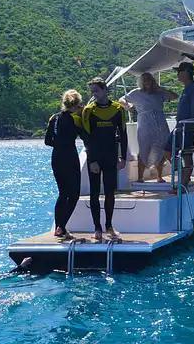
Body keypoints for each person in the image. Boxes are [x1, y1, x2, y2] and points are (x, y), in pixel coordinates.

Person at [81, 77, 128, 242]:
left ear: (105, 90)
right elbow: (86, 138)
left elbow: (123, 135)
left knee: (110, 192)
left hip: (111, 155)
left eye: (96, 91)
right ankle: (97, 228)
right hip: (95, 156)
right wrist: (92, 160)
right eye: (92, 91)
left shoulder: (118, 109)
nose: (94, 94)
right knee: (94, 193)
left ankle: (109, 225)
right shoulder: (88, 110)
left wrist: (123, 158)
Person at [118, 73, 177, 183]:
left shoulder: (159, 92)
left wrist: (162, 89)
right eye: (144, 80)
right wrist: (128, 105)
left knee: (162, 148)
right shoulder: (136, 93)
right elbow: (121, 99)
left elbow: (174, 97)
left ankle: (159, 176)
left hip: (160, 122)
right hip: (145, 123)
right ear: (141, 82)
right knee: (144, 148)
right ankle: (140, 177)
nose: (147, 82)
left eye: (149, 80)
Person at [44, 90, 86, 240]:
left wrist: (60, 143)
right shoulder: (75, 119)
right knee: (73, 195)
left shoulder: (53, 118)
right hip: (69, 157)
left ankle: (58, 228)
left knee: (62, 193)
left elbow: (47, 141)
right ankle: (62, 226)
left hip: (56, 157)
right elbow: (85, 136)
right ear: (77, 104)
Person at [168, 61, 194, 188]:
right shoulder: (187, 88)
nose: (177, 74)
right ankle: (183, 176)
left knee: (186, 155)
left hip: (186, 128)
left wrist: (190, 125)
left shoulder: (193, 88)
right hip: (180, 127)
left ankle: (184, 181)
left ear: (187, 72)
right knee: (169, 151)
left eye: (179, 71)